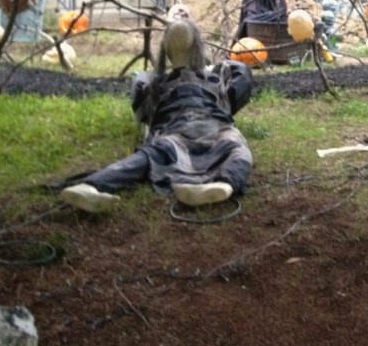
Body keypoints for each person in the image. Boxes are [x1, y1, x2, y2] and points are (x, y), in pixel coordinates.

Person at [60, 18, 254, 212]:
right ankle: (225, 184)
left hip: (188, 131)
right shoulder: (204, 78)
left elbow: (141, 106)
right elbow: (242, 75)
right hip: (198, 130)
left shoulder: (159, 82)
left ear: (165, 49)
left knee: (152, 155)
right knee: (236, 149)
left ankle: (91, 185)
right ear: (197, 45)